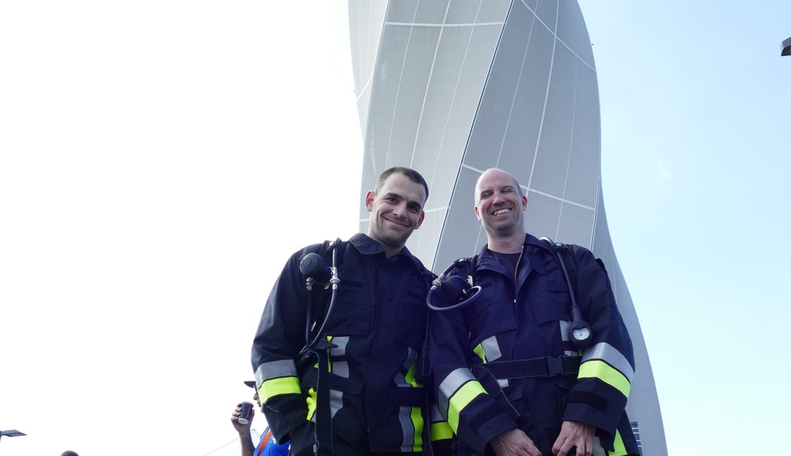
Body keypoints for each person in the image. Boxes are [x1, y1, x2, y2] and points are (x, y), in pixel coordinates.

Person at [428, 168, 639, 456]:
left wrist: (584, 417)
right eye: (487, 195)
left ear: (523, 201)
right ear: (477, 211)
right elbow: (445, 370)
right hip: (502, 448)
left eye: (507, 190)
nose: (498, 199)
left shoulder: (574, 264)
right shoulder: (458, 286)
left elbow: (612, 343)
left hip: (586, 444)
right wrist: (496, 433)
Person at [251, 167, 450, 456]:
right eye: (391, 199)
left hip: (404, 447)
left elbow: (438, 373)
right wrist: (293, 425)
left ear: (420, 220)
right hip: (324, 442)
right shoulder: (316, 264)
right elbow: (271, 347)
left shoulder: (430, 289)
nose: (400, 211)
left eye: (412, 207)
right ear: (371, 200)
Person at [232, 380, 290, 456]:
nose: (254, 397)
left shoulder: (293, 424)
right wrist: (244, 432)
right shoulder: (269, 430)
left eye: (258, 389)